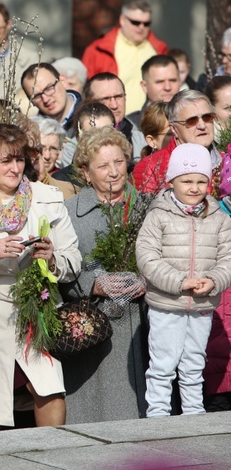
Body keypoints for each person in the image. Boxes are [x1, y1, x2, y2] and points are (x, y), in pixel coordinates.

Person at [0, 123, 79, 431]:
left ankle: (53, 458)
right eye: (5, 161)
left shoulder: (46, 197)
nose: (15, 168)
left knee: (49, 390)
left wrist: (52, 257)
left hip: (32, 313)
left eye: (19, 159)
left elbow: (74, 262)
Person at [59, 126, 149, 423]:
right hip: (93, 335)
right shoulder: (68, 213)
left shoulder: (149, 206)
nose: (113, 172)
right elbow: (54, 270)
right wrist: (91, 284)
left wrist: (149, 280)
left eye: (119, 162)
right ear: (85, 172)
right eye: (103, 165)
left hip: (145, 327)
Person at [137, 143, 231, 417]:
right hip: (167, 304)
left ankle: (193, 414)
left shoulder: (218, 219)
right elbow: (147, 257)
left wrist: (214, 280)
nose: (194, 187)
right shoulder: (159, 215)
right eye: (186, 180)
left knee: (193, 363)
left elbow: (227, 258)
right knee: (163, 365)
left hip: (201, 304)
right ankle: (157, 415)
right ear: (172, 181)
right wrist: (180, 281)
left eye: (201, 181)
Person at [81, 0, 168, 115]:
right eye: (135, 22)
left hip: (152, 119)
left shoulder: (159, 49)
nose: (141, 27)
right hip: (112, 119)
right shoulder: (98, 50)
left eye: (146, 23)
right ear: (122, 20)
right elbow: (87, 92)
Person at [133, 90, 219, 194]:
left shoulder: (226, 161)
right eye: (192, 120)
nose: (202, 126)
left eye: (207, 117)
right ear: (174, 129)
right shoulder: (150, 167)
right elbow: (142, 209)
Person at [83, 72, 148, 160]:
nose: (114, 105)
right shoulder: (75, 146)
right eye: (105, 98)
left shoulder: (143, 141)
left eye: (118, 97)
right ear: (90, 103)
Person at [22, 63, 82, 137]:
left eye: (49, 88)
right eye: (37, 96)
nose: (45, 99)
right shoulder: (31, 133)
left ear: (62, 81)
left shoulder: (91, 117)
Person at [126, 55, 180, 128]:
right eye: (160, 82)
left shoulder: (195, 118)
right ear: (144, 86)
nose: (167, 87)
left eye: (173, 80)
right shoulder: (130, 125)